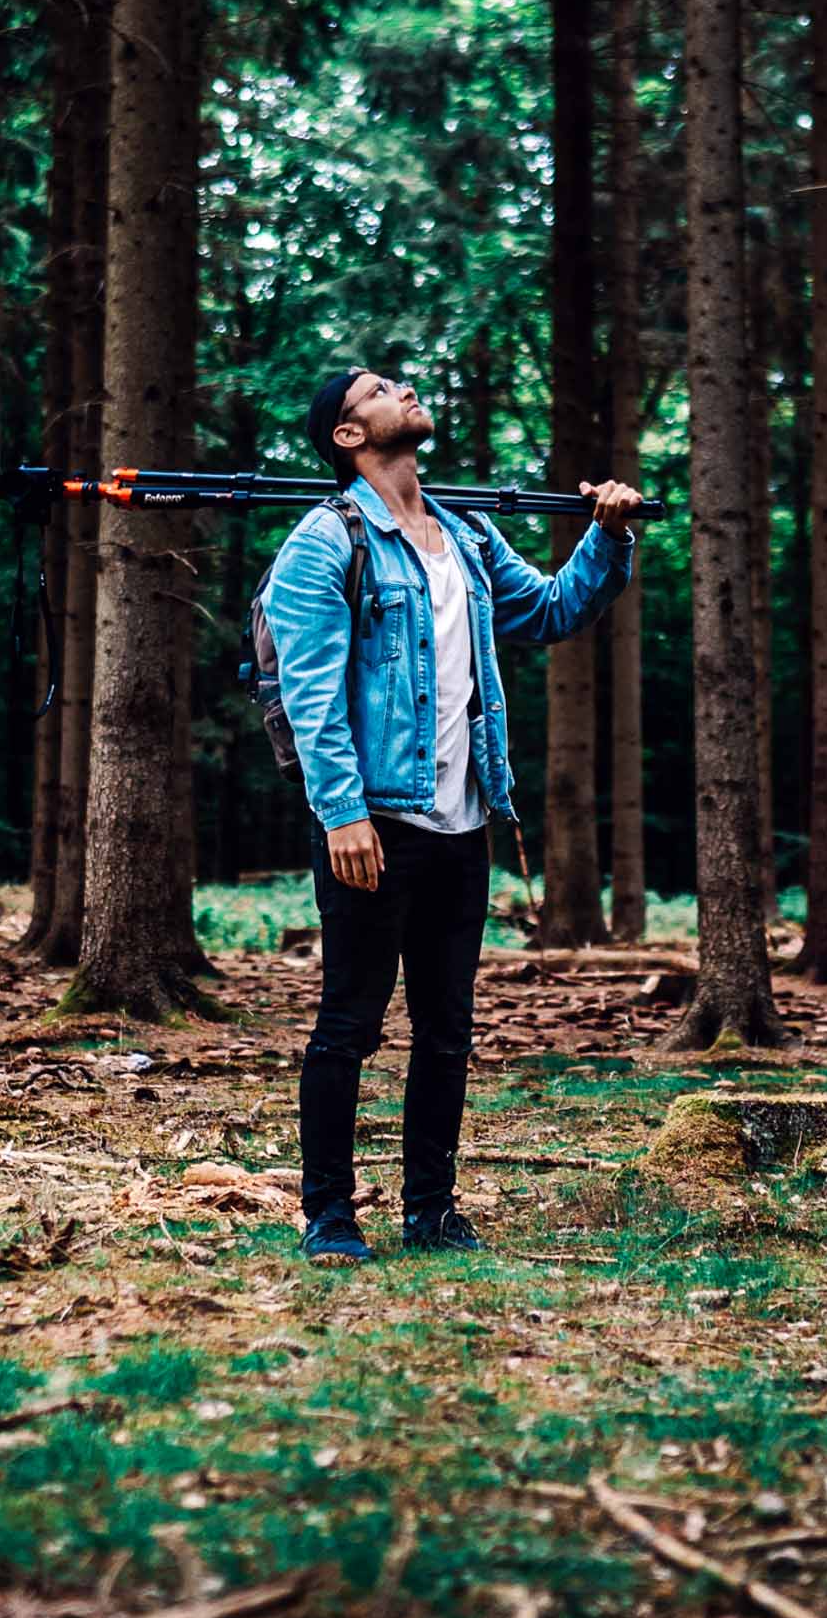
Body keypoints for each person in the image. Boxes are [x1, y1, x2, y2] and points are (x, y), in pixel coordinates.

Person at [262, 366, 640, 1262]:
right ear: (348, 437)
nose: (405, 390)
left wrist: (607, 536)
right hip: (372, 823)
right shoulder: (325, 542)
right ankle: (329, 1217)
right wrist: (342, 812)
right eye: (379, 389)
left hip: (462, 819)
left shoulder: (466, 535)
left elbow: (548, 613)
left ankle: (430, 1209)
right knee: (349, 1021)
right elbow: (310, 694)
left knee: (447, 1027)